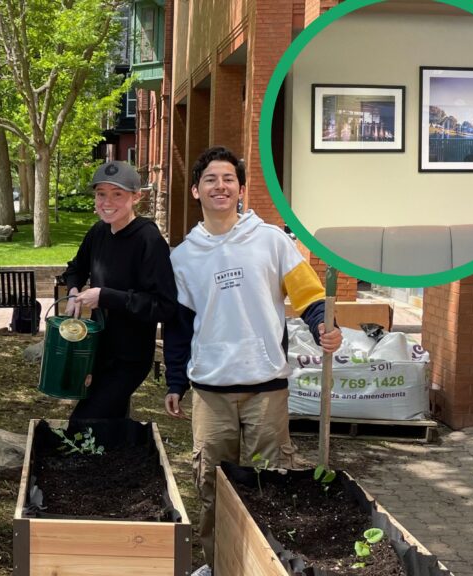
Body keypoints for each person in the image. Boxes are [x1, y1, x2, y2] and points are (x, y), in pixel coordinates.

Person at [164, 146, 343, 572]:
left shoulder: (272, 241)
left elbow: (310, 297)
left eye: (228, 179)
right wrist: (175, 381)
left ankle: (270, 565)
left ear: (241, 189)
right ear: (195, 190)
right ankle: (217, 564)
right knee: (210, 484)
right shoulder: (183, 257)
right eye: (210, 179)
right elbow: (179, 326)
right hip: (210, 393)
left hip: (267, 390)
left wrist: (324, 327)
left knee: (271, 484)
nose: (220, 186)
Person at [62, 161, 178, 420]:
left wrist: (104, 296)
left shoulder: (149, 240)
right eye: (101, 194)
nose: (107, 202)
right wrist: (73, 290)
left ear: (136, 197)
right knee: (110, 424)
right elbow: (76, 267)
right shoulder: (99, 232)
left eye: (117, 194)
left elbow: (164, 305)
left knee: (84, 422)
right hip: (98, 349)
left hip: (130, 357)